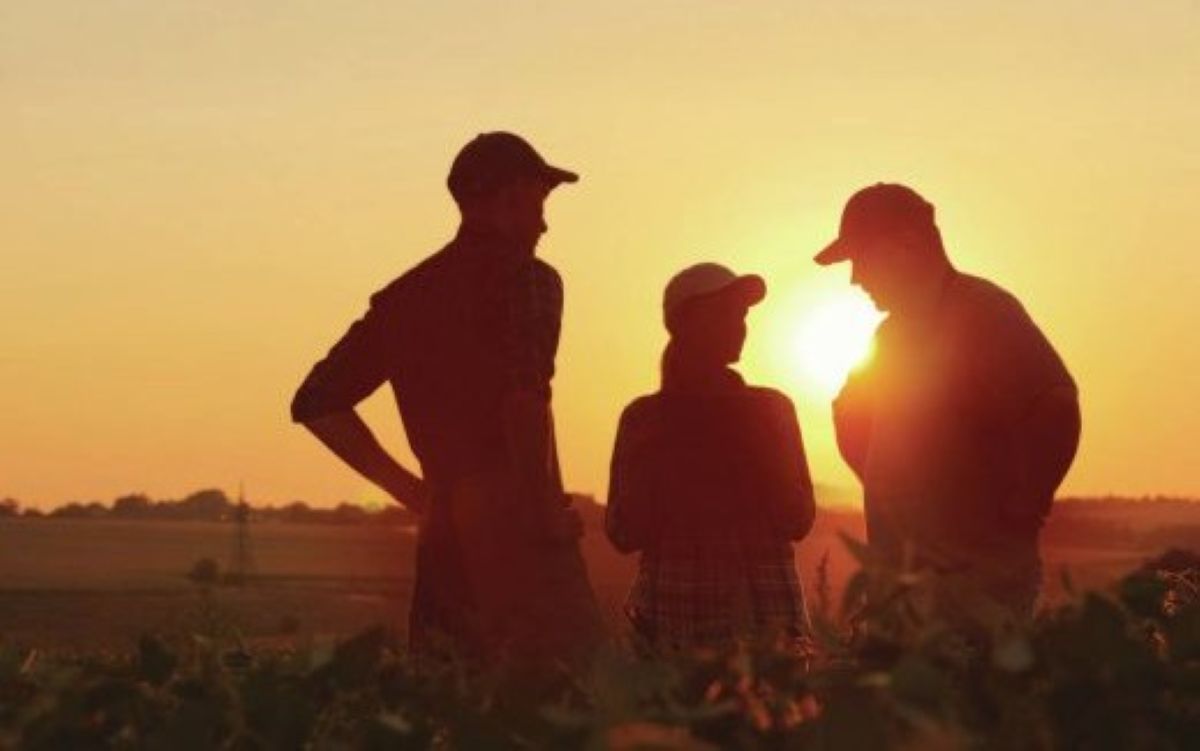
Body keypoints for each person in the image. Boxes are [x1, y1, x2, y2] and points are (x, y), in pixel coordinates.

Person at [290, 132, 603, 664]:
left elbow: (316, 403)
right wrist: (541, 512)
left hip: (445, 540)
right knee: (566, 706)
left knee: (451, 707)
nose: (543, 224)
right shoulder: (529, 280)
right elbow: (523, 400)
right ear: (506, 201)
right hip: (518, 533)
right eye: (536, 205)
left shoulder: (405, 298)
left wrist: (416, 493)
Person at [814, 183, 1081, 618]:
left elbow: (1055, 403)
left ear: (908, 243)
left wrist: (1026, 506)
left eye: (862, 257)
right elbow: (849, 416)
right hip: (902, 587)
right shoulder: (889, 337)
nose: (855, 277)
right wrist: (887, 490)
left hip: (975, 589)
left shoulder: (983, 312)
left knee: (976, 685)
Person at [606, 263, 816, 650]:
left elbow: (798, 518)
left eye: (741, 315)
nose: (739, 326)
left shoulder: (769, 410)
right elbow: (625, 532)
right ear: (684, 323)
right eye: (724, 313)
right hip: (690, 621)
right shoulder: (647, 419)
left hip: (752, 623)